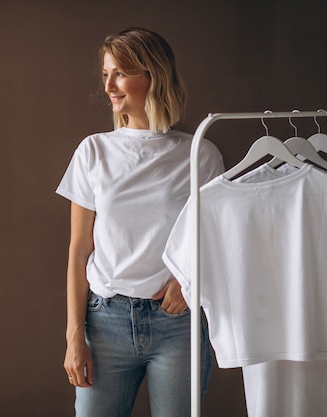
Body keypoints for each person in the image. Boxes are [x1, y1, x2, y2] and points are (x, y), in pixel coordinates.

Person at [56, 27, 224, 417]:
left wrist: (190, 282)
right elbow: (79, 250)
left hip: (176, 327)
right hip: (105, 322)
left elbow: (216, 239)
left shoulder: (200, 154)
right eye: (105, 74)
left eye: (119, 73)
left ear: (153, 75)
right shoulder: (93, 151)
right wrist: (73, 336)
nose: (109, 86)